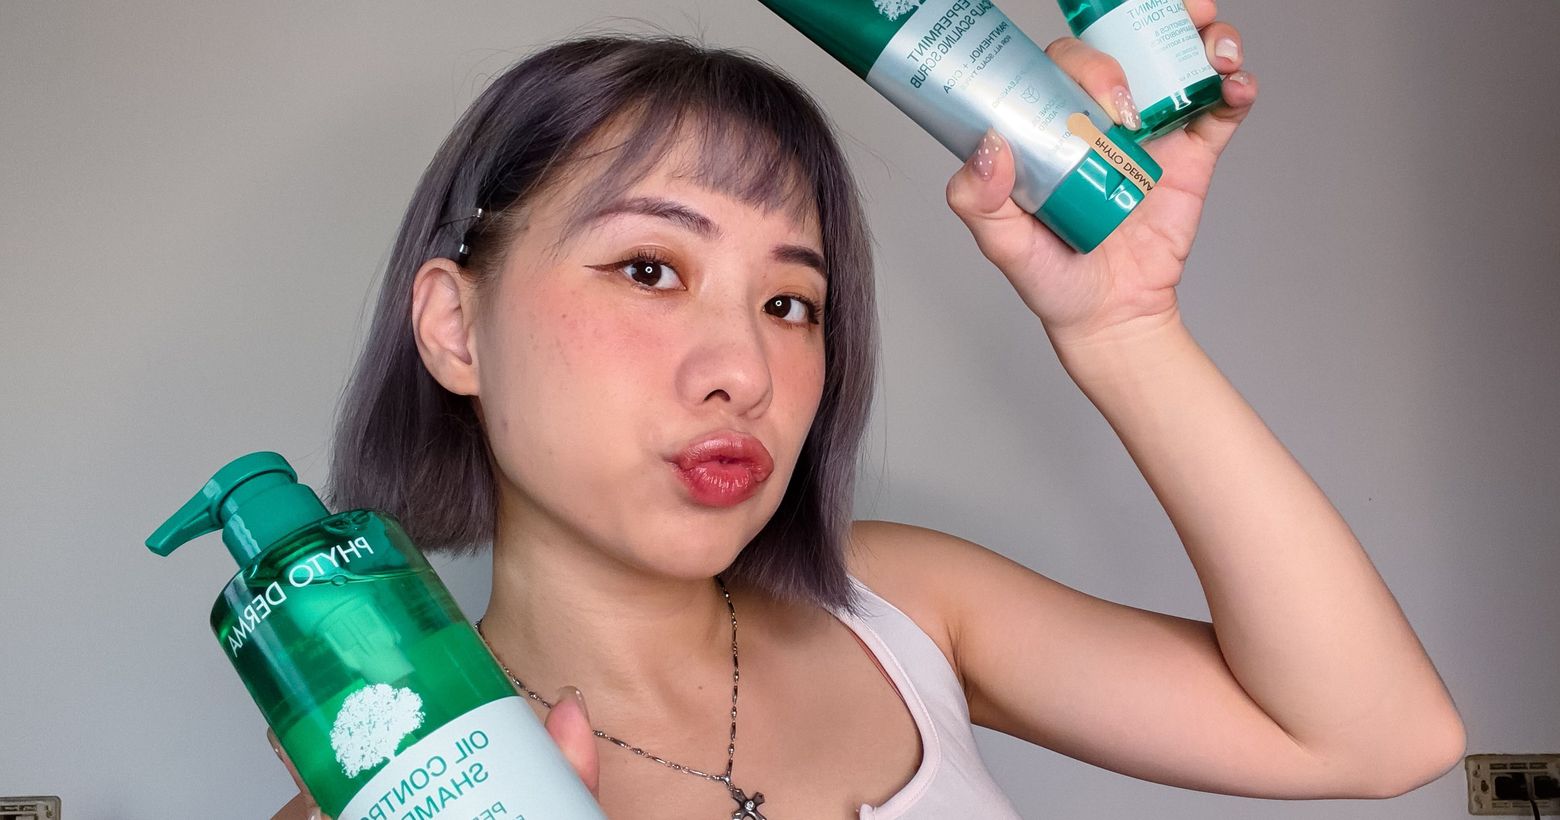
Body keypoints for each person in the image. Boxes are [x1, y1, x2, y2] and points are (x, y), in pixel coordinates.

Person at [269, 6, 1466, 818]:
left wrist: (1126, 328)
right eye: (649, 269)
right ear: (455, 325)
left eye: (791, 301)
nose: (745, 369)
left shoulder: (900, 610)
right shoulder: (392, 798)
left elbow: (1379, 737)